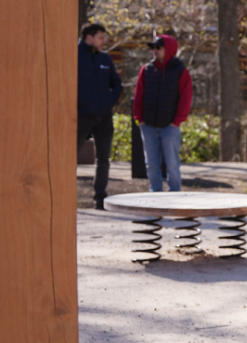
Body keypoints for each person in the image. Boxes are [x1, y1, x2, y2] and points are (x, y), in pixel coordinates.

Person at [131, 33, 192, 193]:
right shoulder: (147, 70)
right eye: (153, 48)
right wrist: (139, 119)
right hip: (148, 125)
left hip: (170, 126)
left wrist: (177, 122)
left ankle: (174, 192)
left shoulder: (180, 72)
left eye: (158, 47)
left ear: (169, 49)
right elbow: (139, 95)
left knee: (172, 163)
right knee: (151, 163)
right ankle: (155, 193)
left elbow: (185, 98)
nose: (155, 51)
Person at [77, 22, 122, 209]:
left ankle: (100, 198)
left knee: (104, 159)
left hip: (104, 118)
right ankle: (65, 196)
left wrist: (108, 102)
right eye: (101, 37)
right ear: (89, 37)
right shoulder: (74, 56)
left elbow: (117, 84)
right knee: (68, 158)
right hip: (80, 117)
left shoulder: (105, 59)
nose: (104, 41)